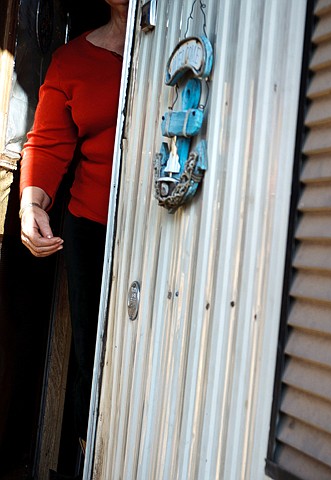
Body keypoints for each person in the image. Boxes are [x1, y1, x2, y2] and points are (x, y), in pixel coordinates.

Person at [18, 0, 128, 458]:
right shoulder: (72, 60)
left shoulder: (180, 40)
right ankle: (92, 462)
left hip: (174, 220)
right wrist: (31, 204)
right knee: (94, 360)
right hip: (92, 225)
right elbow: (47, 141)